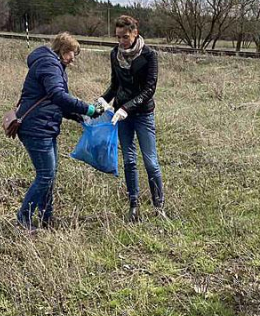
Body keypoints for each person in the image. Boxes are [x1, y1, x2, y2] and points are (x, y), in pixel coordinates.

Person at [16, 32, 101, 231]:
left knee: (50, 174)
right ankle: (23, 218)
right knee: (45, 175)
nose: (73, 58)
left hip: (45, 126)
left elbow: (54, 102)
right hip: (36, 128)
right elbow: (57, 95)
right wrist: (87, 108)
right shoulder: (49, 65)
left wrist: (77, 117)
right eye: (72, 53)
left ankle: (47, 217)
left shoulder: (53, 65)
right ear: (63, 49)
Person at [99, 15, 165, 223]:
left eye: (125, 37)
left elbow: (149, 88)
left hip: (143, 114)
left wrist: (127, 107)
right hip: (122, 116)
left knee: (150, 162)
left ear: (135, 33)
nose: (121, 42)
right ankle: (133, 205)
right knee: (129, 160)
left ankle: (158, 206)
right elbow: (115, 84)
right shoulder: (114, 55)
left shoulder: (149, 55)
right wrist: (104, 100)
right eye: (118, 37)